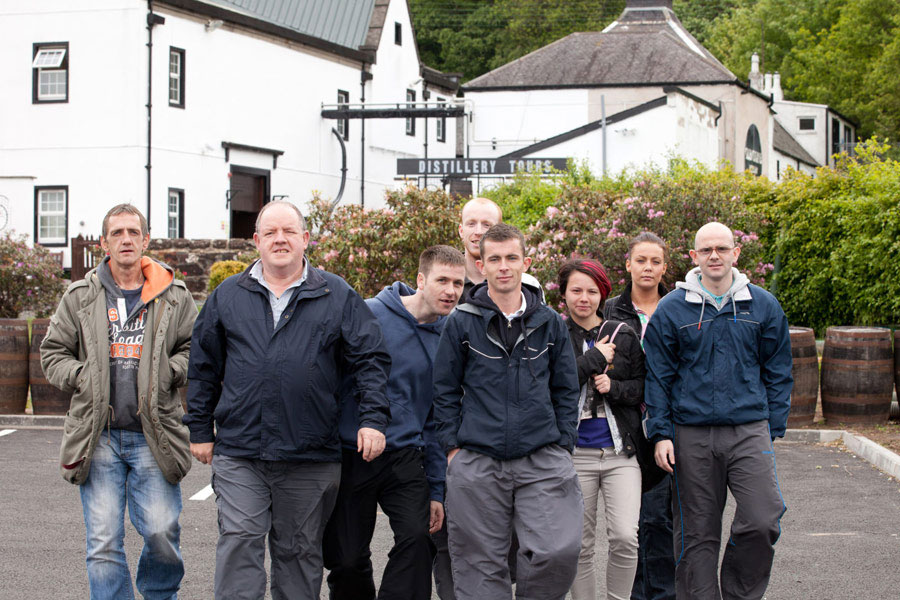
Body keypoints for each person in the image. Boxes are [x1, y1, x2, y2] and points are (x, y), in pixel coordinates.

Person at [184, 201, 391, 600]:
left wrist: (373, 420)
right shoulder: (228, 295)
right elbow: (203, 365)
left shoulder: (337, 294)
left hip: (310, 455)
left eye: (289, 231)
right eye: (271, 233)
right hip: (241, 451)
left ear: (305, 239)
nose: (280, 240)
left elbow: (371, 360)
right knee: (240, 539)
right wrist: (199, 428)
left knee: (298, 555)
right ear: (256, 241)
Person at [40, 203, 197, 600]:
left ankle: (160, 595)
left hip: (154, 433)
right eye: (117, 233)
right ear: (103, 243)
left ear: (146, 240)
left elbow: (195, 349)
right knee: (103, 542)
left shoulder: (174, 295)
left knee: (161, 532)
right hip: (99, 436)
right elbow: (53, 353)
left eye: (133, 232)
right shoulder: (80, 296)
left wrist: (169, 371)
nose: (125, 239)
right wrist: (82, 376)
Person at [433, 223, 583, 600]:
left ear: (525, 263)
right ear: (481, 265)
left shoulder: (550, 322)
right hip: (477, 459)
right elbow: (444, 389)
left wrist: (563, 444)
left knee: (558, 550)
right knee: (479, 564)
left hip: (542, 456)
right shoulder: (461, 321)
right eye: (495, 259)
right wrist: (453, 449)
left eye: (511, 258)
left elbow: (566, 388)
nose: (503, 266)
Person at [643, 222, 792, 600]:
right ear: (694, 256)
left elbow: (778, 369)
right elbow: (658, 377)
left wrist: (772, 426)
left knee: (763, 517)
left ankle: (739, 594)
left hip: (749, 429)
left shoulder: (762, 305)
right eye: (706, 250)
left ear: (735, 253)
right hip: (690, 433)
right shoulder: (672, 309)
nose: (714, 256)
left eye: (722, 249)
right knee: (697, 535)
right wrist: (661, 433)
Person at [323, 245, 466, 600]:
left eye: (458, 283)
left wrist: (437, 490)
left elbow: (437, 418)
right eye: (442, 280)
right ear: (421, 280)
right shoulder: (370, 313)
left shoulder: (450, 337)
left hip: (405, 455)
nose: (451, 291)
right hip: (352, 451)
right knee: (347, 559)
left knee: (418, 539)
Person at [559, 259, 648, 600]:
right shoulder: (555, 335)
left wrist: (615, 387)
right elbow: (552, 386)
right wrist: (594, 359)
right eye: (576, 290)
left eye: (592, 291)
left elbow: (642, 387)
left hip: (620, 453)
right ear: (564, 294)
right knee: (579, 543)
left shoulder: (622, 334)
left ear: (603, 294)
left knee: (625, 536)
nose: (584, 298)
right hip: (574, 455)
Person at [603, 232, 675, 600]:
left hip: (671, 422)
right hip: (625, 424)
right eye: (641, 260)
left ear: (665, 268)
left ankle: (664, 594)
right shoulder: (608, 311)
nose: (648, 267)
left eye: (655, 261)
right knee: (630, 525)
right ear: (628, 264)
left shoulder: (677, 307)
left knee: (662, 519)